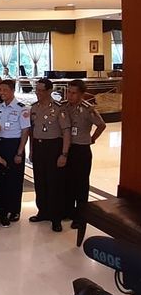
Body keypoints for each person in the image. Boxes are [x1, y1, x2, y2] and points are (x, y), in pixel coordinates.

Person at [29, 78, 71, 233]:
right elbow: (32, 131)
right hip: (39, 147)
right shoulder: (34, 108)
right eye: (37, 90)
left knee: (54, 183)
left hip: (54, 147)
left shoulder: (59, 108)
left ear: (49, 91)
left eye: (41, 90)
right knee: (40, 181)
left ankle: (56, 217)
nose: (38, 93)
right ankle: (43, 211)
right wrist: (32, 150)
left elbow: (66, 132)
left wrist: (64, 154)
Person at [0, 79, 30, 226]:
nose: (2, 93)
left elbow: (25, 131)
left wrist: (19, 152)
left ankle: (14, 210)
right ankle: (2, 208)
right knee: (0, 177)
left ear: (12, 91)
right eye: (0, 90)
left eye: (5, 90)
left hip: (14, 145)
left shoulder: (21, 108)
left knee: (14, 178)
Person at [63, 80, 106, 229]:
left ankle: (81, 216)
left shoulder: (88, 109)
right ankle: (68, 211)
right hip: (67, 149)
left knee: (81, 184)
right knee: (67, 182)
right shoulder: (64, 107)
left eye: (74, 93)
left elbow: (101, 125)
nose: (70, 95)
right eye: (69, 92)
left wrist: (92, 139)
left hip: (81, 149)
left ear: (81, 94)